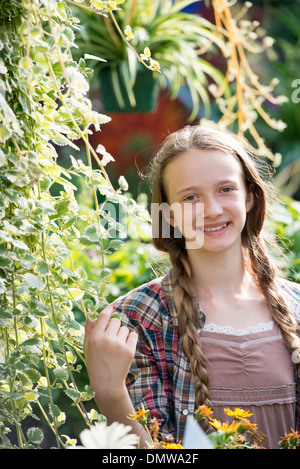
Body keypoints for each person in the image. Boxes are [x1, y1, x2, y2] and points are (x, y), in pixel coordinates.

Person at [84, 125, 300, 449]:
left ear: (251, 197)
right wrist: (111, 395)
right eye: (191, 197)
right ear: (168, 214)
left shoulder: (296, 305)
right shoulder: (139, 317)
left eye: (226, 189)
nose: (212, 210)